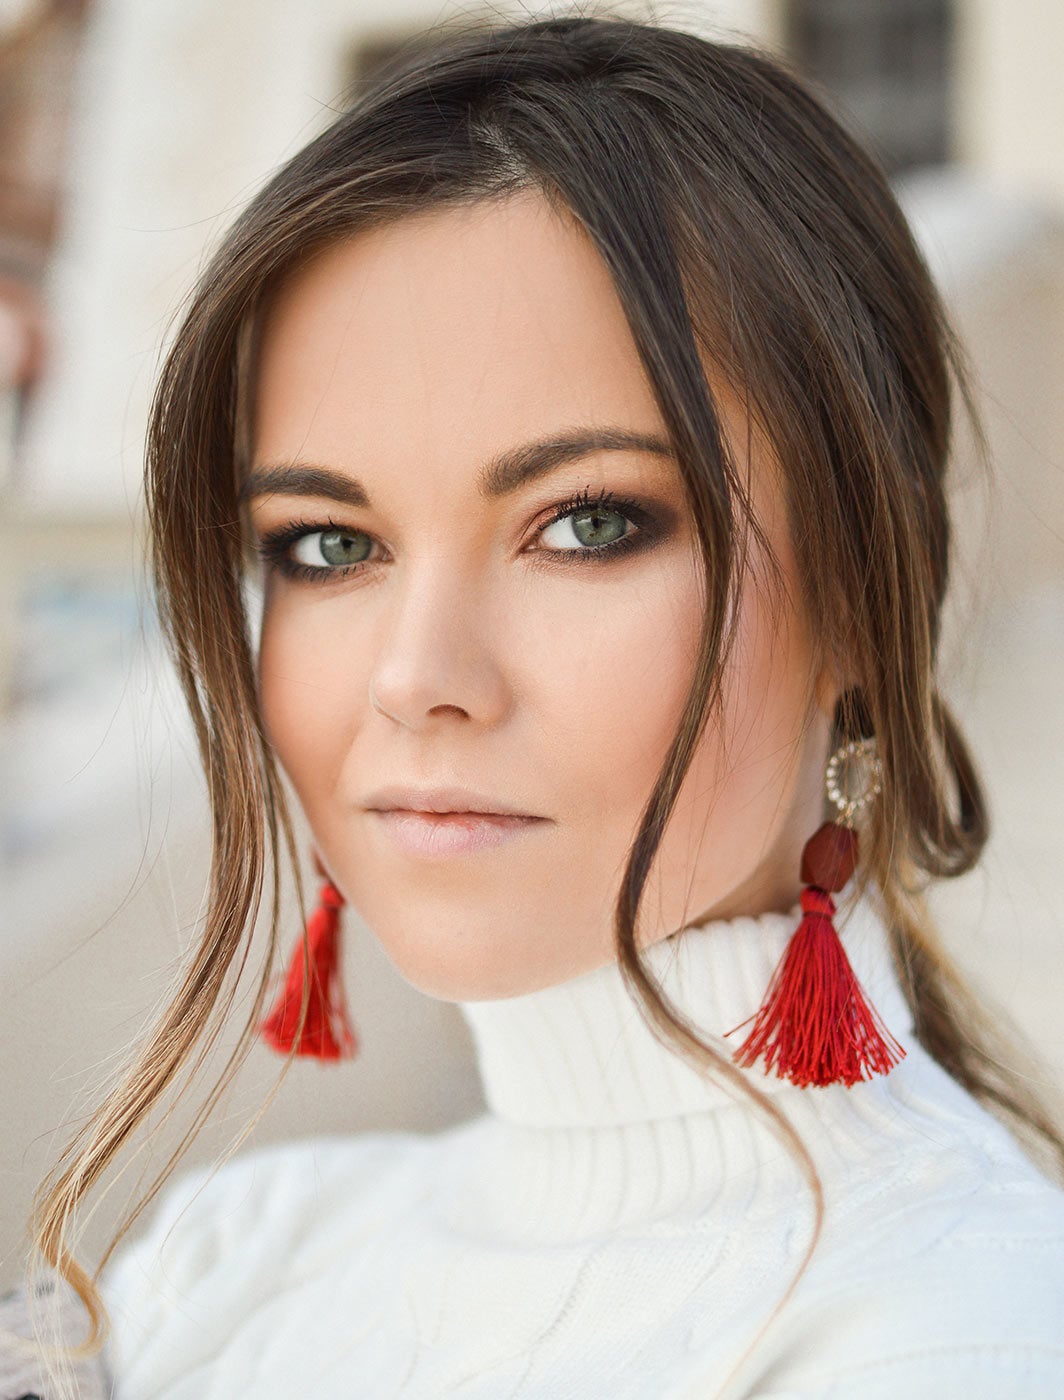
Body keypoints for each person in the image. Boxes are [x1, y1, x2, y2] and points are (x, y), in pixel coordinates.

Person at [11, 11, 1064, 1399]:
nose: (415, 677)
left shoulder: (948, 1327)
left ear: (866, 593)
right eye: (328, 544)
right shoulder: (222, 1261)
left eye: (586, 525)